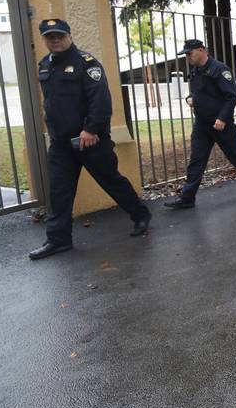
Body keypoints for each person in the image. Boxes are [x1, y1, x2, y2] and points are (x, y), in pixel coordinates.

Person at [29, 19, 151, 260]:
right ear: (44, 39)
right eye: (50, 37)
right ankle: (58, 239)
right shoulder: (46, 65)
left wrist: (91, 129)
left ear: (69, 36)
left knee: (111, 181)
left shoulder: (87, 64)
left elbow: (101, 100)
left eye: (59, 36)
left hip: (90, 140)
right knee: (59, 192)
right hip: (61, 143)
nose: (55, 40)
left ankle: (140, 214)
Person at [164, 39, 236, 209]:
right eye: (186, 54)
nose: (187, 57)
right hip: (202, 124)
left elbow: (231, 96)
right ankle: (187, 198)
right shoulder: (195, 72)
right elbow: (196, 92)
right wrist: (189, 98)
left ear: (201, 50)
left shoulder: (219, 69)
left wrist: (222, 118)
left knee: (235, 155)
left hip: (221, 124)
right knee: (196, 160)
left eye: (189, 53)